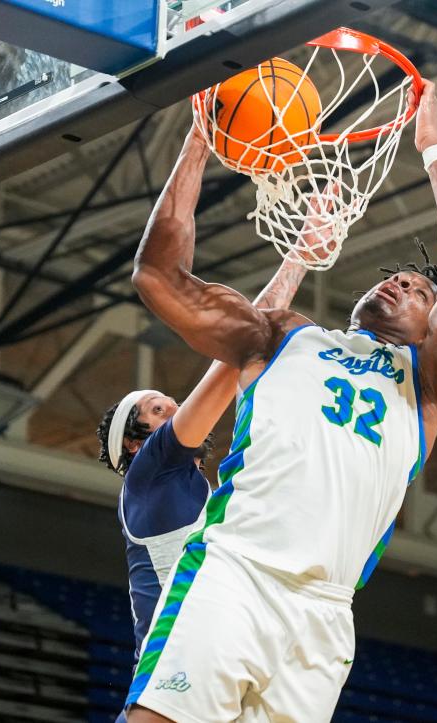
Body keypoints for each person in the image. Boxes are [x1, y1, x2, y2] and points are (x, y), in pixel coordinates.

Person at [126, 79, 437, 722]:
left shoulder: (429, 388)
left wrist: (435, 148)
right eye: (394, 277)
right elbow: (159, 278)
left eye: (415, 290)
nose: (401, 281)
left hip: (324, 613)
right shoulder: (282, 334)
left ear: (435, 327)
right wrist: (199, 141)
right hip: (235, 569)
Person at [96, 235, 313, 721]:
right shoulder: (150, 469)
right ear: (135, 442)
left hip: (211, 646)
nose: (173, 405)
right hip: (173, 655)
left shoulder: (195, 490)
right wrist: (298, 256)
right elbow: (239, 346)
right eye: (156, 409)